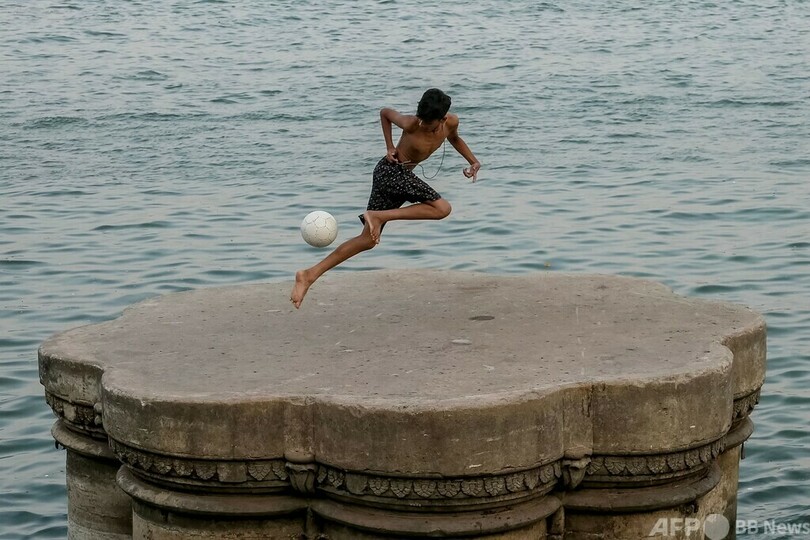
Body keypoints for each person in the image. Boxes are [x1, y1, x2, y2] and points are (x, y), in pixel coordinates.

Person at [290, 88, 480, 309]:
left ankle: (309, 275)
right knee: (442, 208)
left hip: (397, 176)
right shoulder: (411, 123)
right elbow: (385, 113)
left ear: (443, 119)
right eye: (421, 120)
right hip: (390, 172)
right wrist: (390, 146)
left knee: (367, 241)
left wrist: (473, 161)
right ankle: (378, 216)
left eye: (428, 123)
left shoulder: (451, 123)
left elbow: (454, 138)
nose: (422, 125)